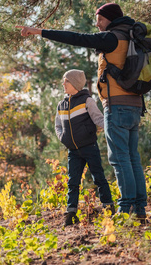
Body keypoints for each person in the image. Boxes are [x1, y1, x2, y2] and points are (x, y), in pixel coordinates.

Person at [16, 3, 147, 218]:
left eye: (100, 20)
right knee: (133, 157)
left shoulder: (112, 37)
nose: (97, 24)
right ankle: (139, 209)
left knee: (120, 159)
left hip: (117, 106)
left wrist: (38, 31)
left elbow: (76, 37)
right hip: (135, 104)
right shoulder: (131, 37)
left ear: (111, 19)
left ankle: (126, 210)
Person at [56, 69, 114, 226]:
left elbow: (98, 118)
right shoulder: (61, 105)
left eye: (66, 81)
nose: (63, 83)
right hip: (73, 151)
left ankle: (108, 207)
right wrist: (63, 138)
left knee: (98, 177)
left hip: (89, 147)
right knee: (73, 181)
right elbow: (58, 126)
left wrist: (111, 132)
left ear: (74, 83)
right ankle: (71, 212)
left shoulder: (87, 101)